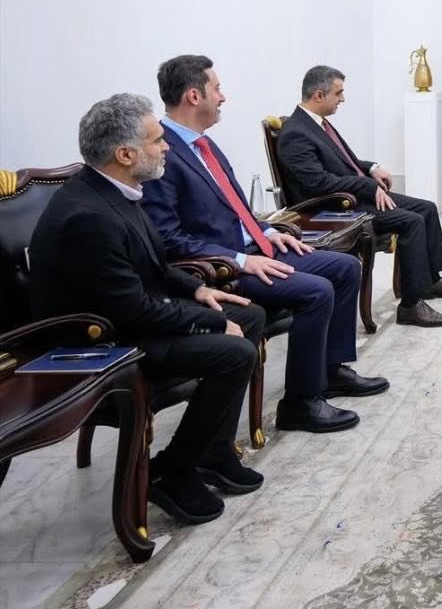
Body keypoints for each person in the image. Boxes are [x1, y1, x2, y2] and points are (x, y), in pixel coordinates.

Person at [29, 93, 268, 525]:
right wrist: (213, 323)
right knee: (235, 352)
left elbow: (153, 263)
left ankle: (213, 452)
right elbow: (134, 311)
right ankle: (172, 471)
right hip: (103, 342)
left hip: (128, 317)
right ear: (125, 154)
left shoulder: (116, 191)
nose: (166, 148)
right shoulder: (89, 217)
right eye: (157, 140)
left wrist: (198, 291)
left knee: (249, 315)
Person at [142, 55, 388, 435]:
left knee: (344, 267)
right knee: (317, 291)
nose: (223, 97)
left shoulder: (205, 145)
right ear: (194, 96)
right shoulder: (163, 153)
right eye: (217, 88)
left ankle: (330, 371)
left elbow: (235, 207)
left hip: (256, 248)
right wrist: (241, 259)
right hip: (221, 270)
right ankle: (300, 404)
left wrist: (268, 231)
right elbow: (167, 239)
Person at [274, 65, 442, 328]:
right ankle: (411, 306)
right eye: (338, 93)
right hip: (334, 207)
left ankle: (430, 281)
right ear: (318, 95)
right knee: (411, 221)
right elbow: (316, 184)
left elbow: (343, 162)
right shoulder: (296, 133)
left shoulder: (316, 123)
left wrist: (371, 168)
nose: (343, 99)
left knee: (426, 208)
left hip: (352, 194)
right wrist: (367, 186)